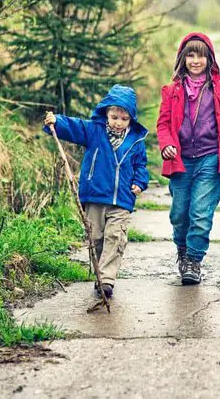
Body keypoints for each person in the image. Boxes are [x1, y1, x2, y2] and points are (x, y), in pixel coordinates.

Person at [43, 84, 149, 298]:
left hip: (122, 199)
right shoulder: (94, 130)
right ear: (106, 114)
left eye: (124, 119)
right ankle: (100, 273)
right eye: (114, 117)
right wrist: (57, 122)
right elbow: (75, 127)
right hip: (95, 195)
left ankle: (107, 280)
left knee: (114, 236)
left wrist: (140, 182)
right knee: (97, 238)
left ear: (131, 119)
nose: (118, 122)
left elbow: (141, 166)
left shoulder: (136, 141)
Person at [156, 32, 220, 285]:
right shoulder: (171, 91)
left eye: (201, 56)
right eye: (190, 55)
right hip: (181, 160)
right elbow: (163, 124)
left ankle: (193, 260)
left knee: (200, 213)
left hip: (211, 159)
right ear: (182, 59)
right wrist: (168, 145)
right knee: (179, 213)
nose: (195, 61)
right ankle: (182, 251)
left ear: (210, 59)